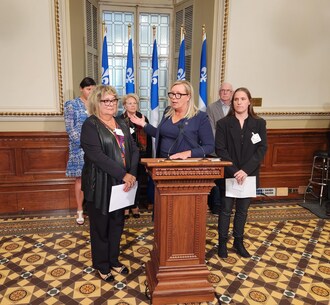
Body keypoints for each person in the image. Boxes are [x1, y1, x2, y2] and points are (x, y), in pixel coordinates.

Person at [80, 85, 139, 282]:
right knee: (101, 227)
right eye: (106, 100)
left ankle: (113, 260)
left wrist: (131, 173)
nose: (111, 104)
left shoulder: (122, 123)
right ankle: (102, 265)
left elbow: (134, 149)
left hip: (122, 184)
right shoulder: (90, 125)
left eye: (113, 100)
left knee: (117, 224)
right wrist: (124, 174)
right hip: (99, 185)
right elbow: (96, 156)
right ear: (96, 102)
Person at [215, 87, 267, 259]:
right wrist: (236, 171)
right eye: (236, 99)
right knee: (225, 210)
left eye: (243, 99)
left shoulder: (259, 123)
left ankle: (238, 241)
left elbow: (261, 149)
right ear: (232, 102)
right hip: (230, 174)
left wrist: (245, 170)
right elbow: (220, 149)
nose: (239, 102)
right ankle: (222, 243)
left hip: (249, 175)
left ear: (249, 102)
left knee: (242, 211)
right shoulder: (223, 123)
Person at [130, 80, 214, 159]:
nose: (173, 97)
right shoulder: (168, 112)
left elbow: (209, 146)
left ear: (188, 97)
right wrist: (143, 124)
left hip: (185, 166)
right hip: (163, 161)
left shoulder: (200, 117)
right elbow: (160, 133)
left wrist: (188, 153)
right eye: (172, 94)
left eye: (178, 94)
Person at [64, 77, 96, 225]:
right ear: (81, 89)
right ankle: (79, 210)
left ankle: (94, 208)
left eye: (93, 89)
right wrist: (84, 143)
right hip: (79, 148)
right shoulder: (72, 105)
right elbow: (70, 129)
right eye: (89, 89)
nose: (91, 92)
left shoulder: (96, 105)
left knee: (95, 177)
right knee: (80, 179)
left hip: (95, 147)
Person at [120, 93, 152, 219]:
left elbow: (149, 141)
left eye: (135, 103)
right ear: (124, 105)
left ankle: (135, 205)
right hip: (125, 156)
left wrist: (148, 160)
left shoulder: (143, 118)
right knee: (126, 180)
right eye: (129, 103)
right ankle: (126, 207)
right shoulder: (120, 120)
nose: (132, 106)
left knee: (137, 181)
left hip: (141, 156)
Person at [206, 82, 234, 215]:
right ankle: (216, 206)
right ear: (219, 92)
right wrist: (220, 146)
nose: (225, 93)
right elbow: (211, 130)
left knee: (229, 178)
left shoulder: (236, 107)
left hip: (232, 151)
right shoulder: (211, 108)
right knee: (216, 180)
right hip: (215, 150)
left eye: (228, 91)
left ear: (231, 93)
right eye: (223, 90)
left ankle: (227, 206)